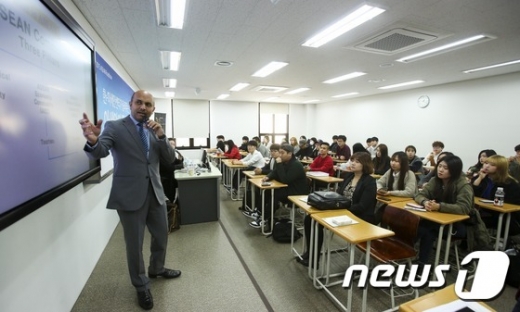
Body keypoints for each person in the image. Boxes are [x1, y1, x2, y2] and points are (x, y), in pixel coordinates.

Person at [79, 90, 180, 310]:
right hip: (129, 194)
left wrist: (162, 137)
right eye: (139, 102)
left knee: (162, 234)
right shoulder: (115, 127)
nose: (143, 107)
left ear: (153, 108)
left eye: (148, 104)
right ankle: (141, 284)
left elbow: (170, 159)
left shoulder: (155, 130)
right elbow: (100, 151)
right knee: (134, 244)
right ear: (130, 104)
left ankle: (157, 268)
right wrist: (93, 141)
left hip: (155, 192)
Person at [298, 152, 377, 268]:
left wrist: (341, 209)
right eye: (352, 160)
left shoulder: (369, 181)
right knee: (309, 219)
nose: (353, 163)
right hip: (343, 210)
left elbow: (362, 206)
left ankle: (314, 259)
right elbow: (339, 195)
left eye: (357, 161)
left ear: (365, 164)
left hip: (358, 216)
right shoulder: (348, 176)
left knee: (317, 223)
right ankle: (310, 253)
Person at [414, 155, 489, 265]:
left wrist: (439, 206)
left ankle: (421, 263)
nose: (440, 170)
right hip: (437, 220)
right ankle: (416, 259)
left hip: (458, 225)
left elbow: (464, 208)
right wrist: (425, 202)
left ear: (454, 170)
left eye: (445, 168)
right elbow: (419, 195)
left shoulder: (463, 185)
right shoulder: (435, 180)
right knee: (416, 225)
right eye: (439, 166)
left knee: (426, 229)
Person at [250, 144, 308, 229]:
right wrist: (268, 177)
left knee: (275, 195)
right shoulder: (284, 162)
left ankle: (264, 219)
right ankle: (259, 212)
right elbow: (275, 172)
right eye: (279, 153)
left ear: (290, 154)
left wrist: (279, 164)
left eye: (282, 153)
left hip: (297, 192)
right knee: (267, 191)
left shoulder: (296, 165)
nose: (280, 155)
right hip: (287, 188)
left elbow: (285, 179)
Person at [472, 155, 520, 236]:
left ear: (500, 168)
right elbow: (472, 192)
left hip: (499, 215)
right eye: (486, 163)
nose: (487, 166)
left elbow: (512, 204)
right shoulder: (484, 177)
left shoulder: (510, 183)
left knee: (473, 222)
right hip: (482, 211)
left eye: (492, 165)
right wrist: (480, 178)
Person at [242, 144, 281, 217]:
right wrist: (261, 169)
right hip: (272, 180)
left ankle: (262, 213)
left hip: (277, 183)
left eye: (275, 151)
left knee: (265, 192)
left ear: (280, 152)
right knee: (259, 189)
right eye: (271, 151)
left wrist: (262, 171)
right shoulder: (272, 159)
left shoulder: (279, 161)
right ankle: (258, 209)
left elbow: (274, 172)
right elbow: (267, 167)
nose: (272, 153)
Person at [159, 138, 184, 202]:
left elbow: (176, 162)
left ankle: (178, 203)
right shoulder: (163, 155)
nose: (172, 146)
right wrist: (181, 165)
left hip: (170, 177)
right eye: (171, 144)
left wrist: (180, 159)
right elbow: (170, 168)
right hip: (166, 179)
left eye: (174, 144)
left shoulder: (171, 154)